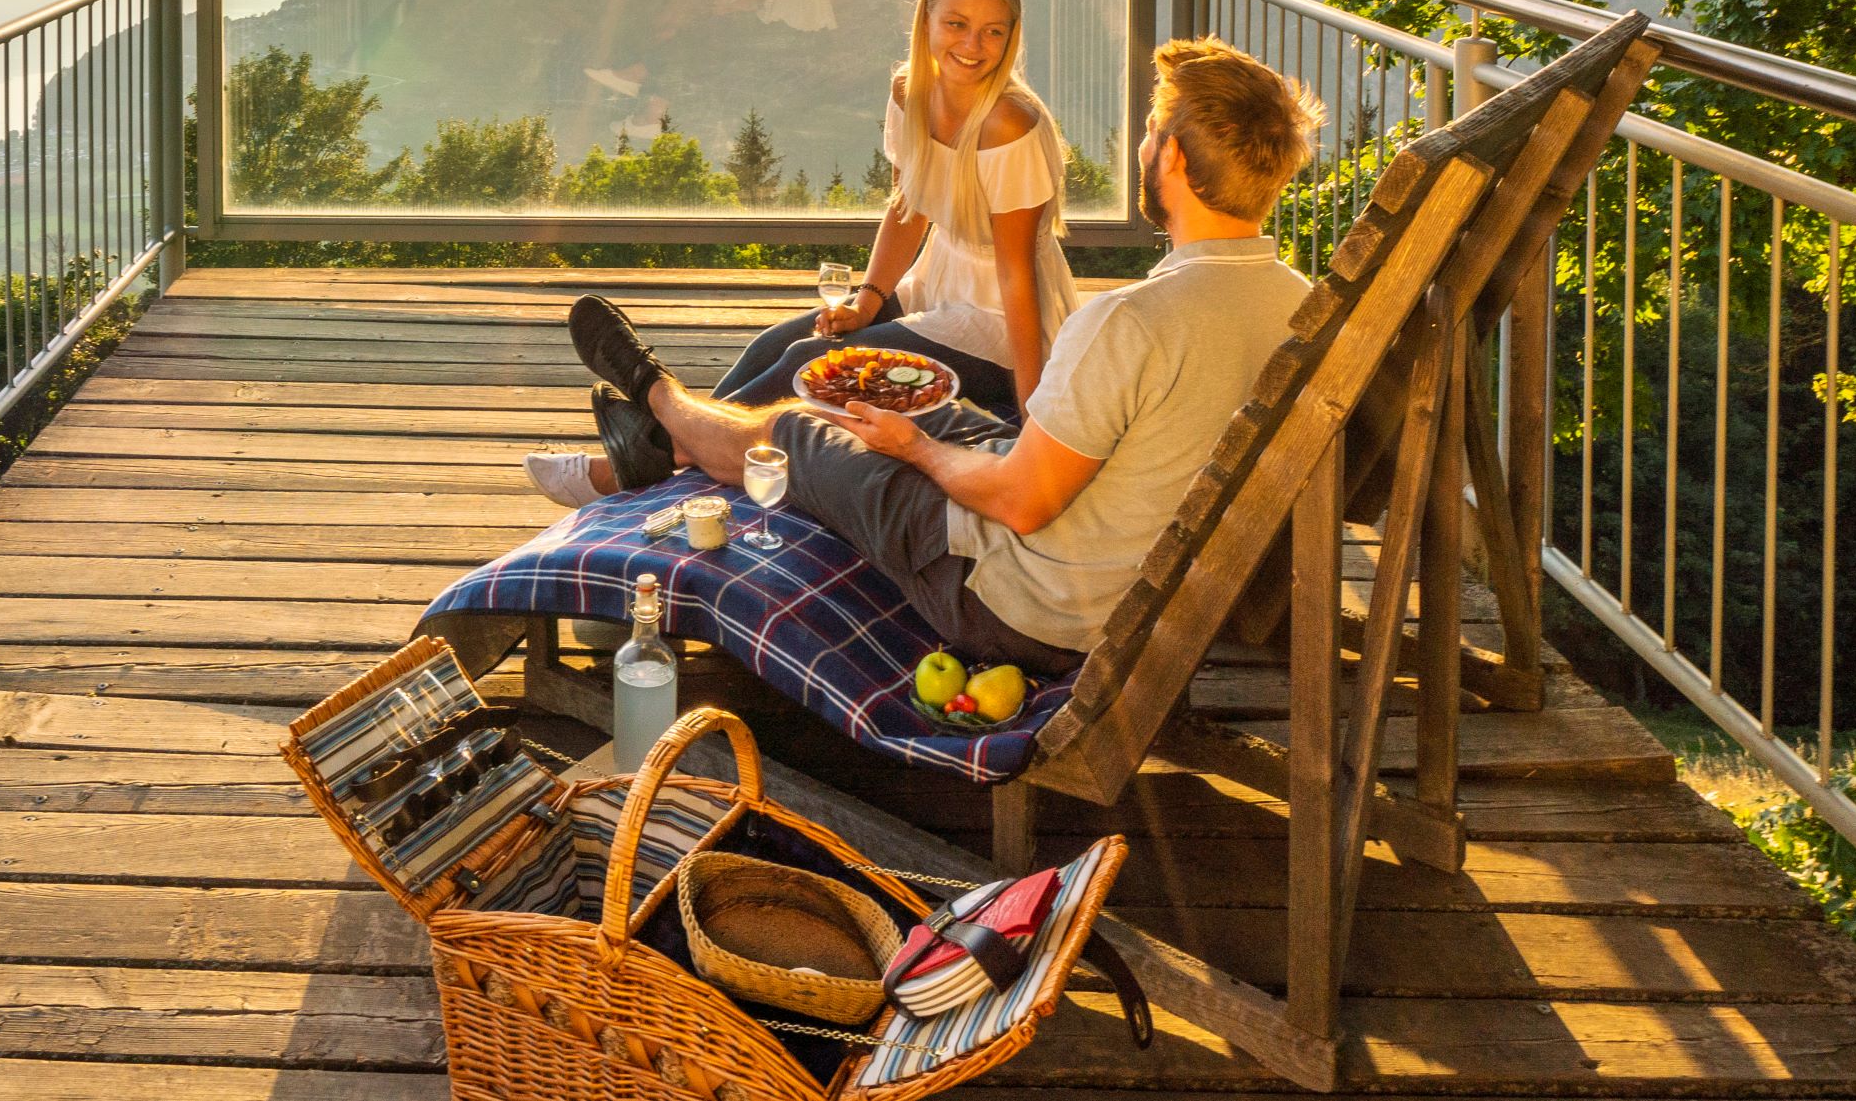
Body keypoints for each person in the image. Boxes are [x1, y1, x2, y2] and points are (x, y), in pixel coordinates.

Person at [521, 37, 1321, 672]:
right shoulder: (1301, 308)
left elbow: (1021, 503)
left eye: (1150, 132)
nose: (1142, 144)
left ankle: (655, 396)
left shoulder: (1131, 323)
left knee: (800, 425)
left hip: (1019, 598)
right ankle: (666, 444)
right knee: (922, 404)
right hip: (1131, 567)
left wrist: (918, 450)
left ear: (1172, 158)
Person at [704, 0, 1071, 438]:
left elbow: (1016, 276)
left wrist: (1032, 417)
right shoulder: (909, 91)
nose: (973, 44)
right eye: (957, 24)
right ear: (926, 22)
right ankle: (669, 442)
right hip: (935, 283)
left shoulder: (1007, 125)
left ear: (1011, 35)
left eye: (993, 31)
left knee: (807, 362)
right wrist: (866, 304)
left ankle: (668, 448)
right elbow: (906, 212)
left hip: (999, 322)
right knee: (771, 348)